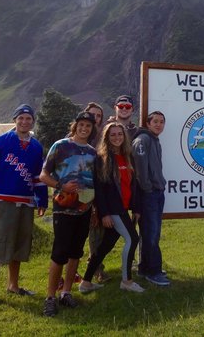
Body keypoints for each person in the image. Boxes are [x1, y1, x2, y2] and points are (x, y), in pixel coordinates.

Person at [0, 104, 47, 307]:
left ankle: (13, 285)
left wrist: (42, 199)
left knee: (19, 244)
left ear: (33, 122)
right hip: (3, 201)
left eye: (28, 119)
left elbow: (39, 176)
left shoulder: (36, 147)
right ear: (15, 120)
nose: (25, 122)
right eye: (21, 118)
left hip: (26, 202)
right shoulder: (0, 141)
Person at [39, 111, 97, 317]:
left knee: (76, 253)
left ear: (92, 129)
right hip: (63, 209)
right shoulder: (60, 146)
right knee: (59, 253)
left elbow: (95, 182)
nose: (84, 128)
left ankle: (66, 293)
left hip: (85, 210)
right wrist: (61, 185)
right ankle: (50, 297)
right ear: (75, 126)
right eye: (81, 124)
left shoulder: (92, 152)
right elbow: (43, 175)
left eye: (88, 126)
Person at [79, 122, 144, 294]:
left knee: (105, 246)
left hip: (124, 208)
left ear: (124, 137)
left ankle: (85, 282)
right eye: (113, 134)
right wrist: (104, 213)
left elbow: (133, 185)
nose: (117, 137)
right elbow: (99, 190)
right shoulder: (102, 159)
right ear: (107, 138)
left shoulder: (128, 157)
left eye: (120, 134)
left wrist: (136, 208)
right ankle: (127, 281)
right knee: (133, 239)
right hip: (114, 210)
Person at [132, 111, 170, 286]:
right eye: (155, 121)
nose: (158, 125)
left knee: (150, 231)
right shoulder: (143, 140)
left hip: (156, 192)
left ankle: (145, 267)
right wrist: (148, 188)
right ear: (148, 123)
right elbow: (140, 170)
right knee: (152, 233)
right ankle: (154, 271)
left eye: (161, 122)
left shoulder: (156, 141)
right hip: (149, 193)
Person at [81, 102, 111, 284]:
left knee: (96, 232)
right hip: (79, 193)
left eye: (98, 115)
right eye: (92, 114)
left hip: (99, 192)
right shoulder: (75, 137)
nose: (95, 118)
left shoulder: (103, 138)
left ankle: (97, 269)